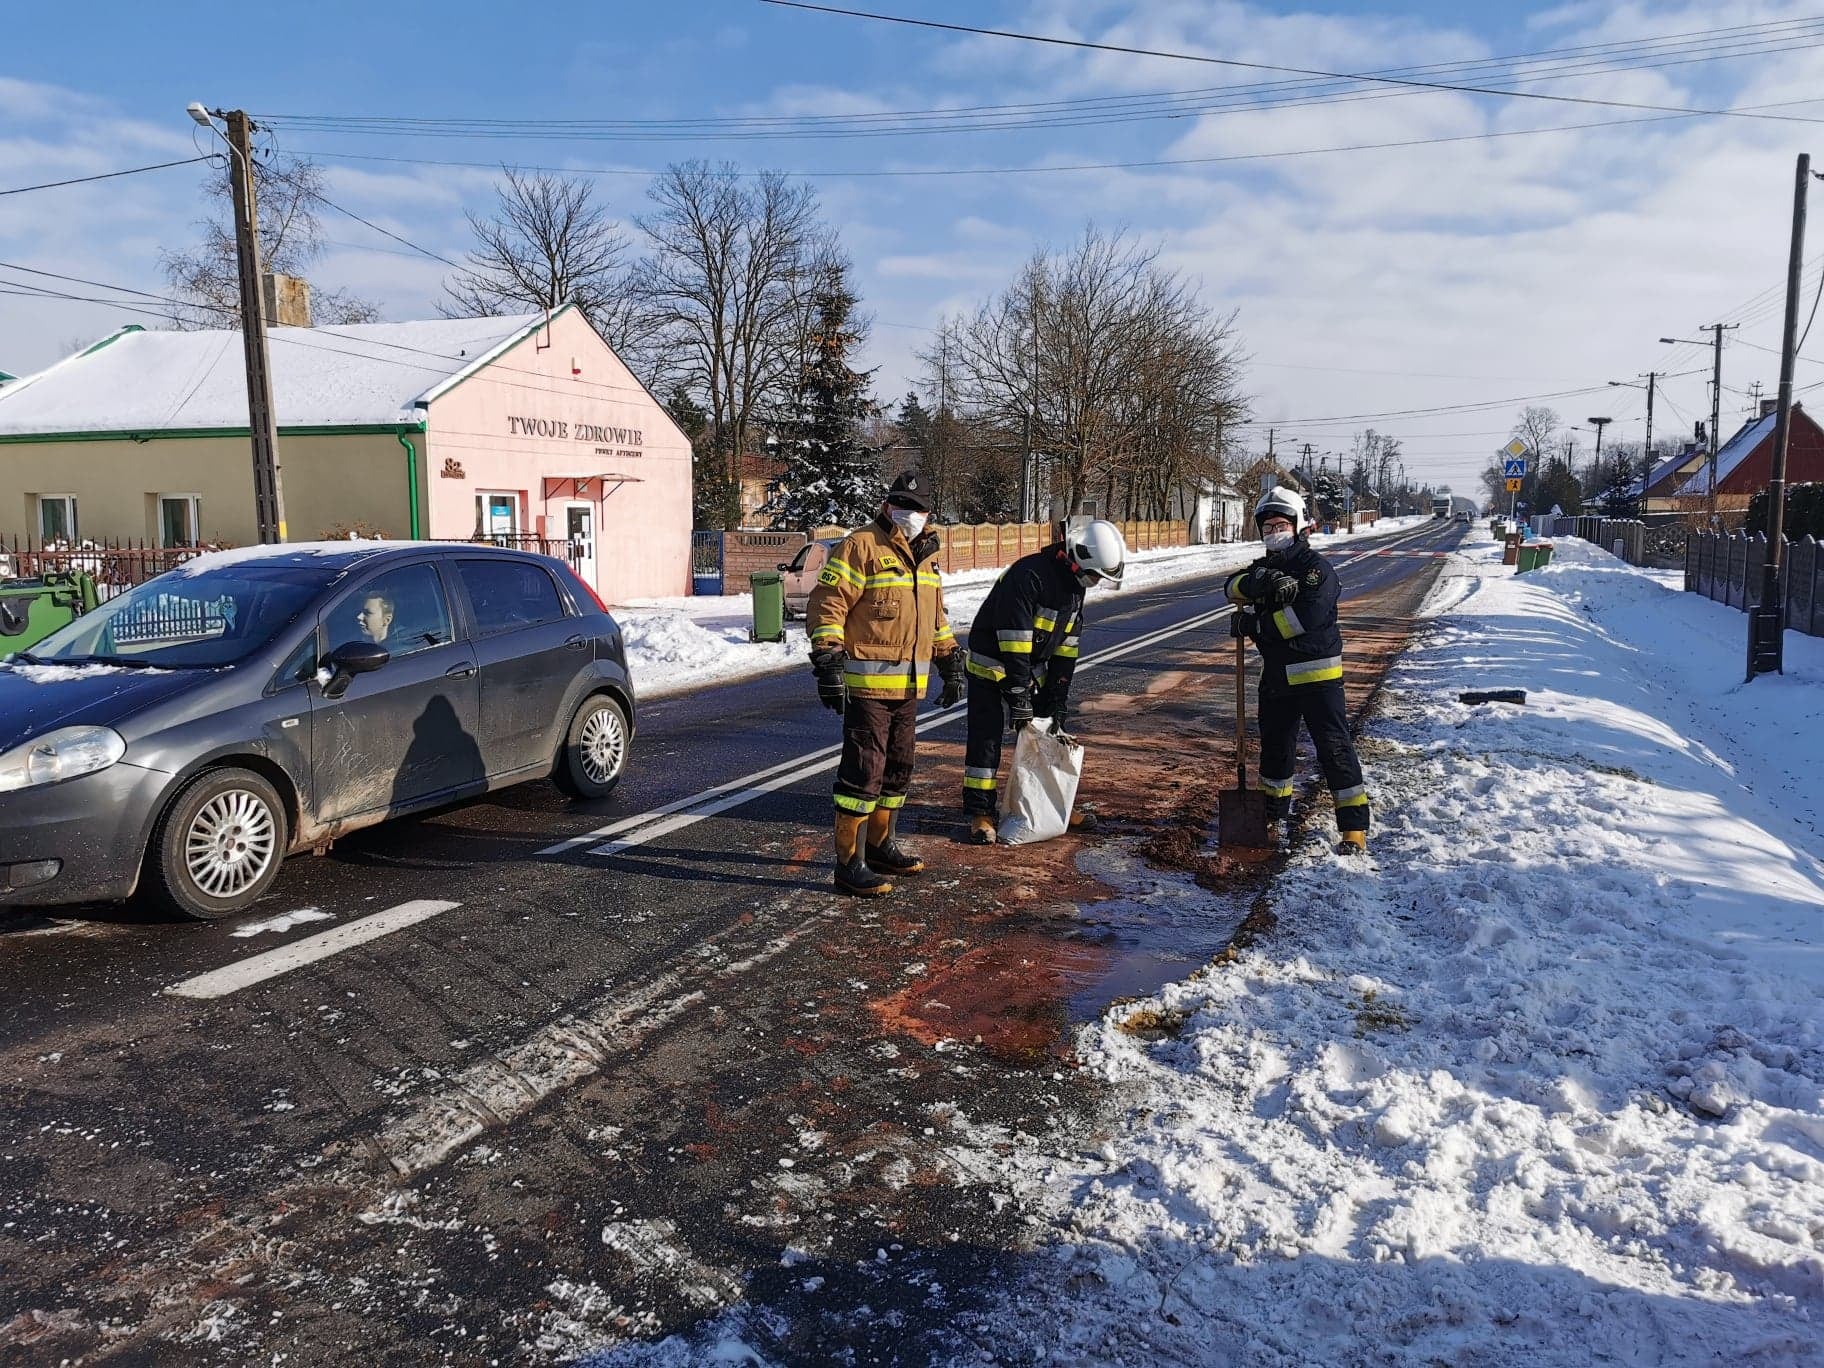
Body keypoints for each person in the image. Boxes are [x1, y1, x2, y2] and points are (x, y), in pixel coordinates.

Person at [806, 472, 966, 896]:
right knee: (863, 774)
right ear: (885, 505)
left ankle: (880, 846)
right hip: (868, 691)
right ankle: (849, 864)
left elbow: (935, 619)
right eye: (900, 504)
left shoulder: (927, 556)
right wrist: (827, 660)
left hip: (909, 689)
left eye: (915, 507)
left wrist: (950, 662)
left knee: (898, 770)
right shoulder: (860, 546)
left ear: (928, 512)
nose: (907, 514)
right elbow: (828, 605)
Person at [1224, 486, 1371, 855]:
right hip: (1276, 679)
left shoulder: (1316, 570)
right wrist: (1256, 583)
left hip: (1317, 680)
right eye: (1269, 525)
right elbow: (1230, 587)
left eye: (1281, 524)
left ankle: (1353, 827)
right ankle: (1273, 814)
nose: (1275, 531)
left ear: (1298, 525)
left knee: (1334, 749)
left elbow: (1302, 619)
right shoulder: (1268, 568)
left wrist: (1256, 627)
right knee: (1275, 751)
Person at [961, 518, 1127, 844]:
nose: (1094, 582)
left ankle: (1047, 805)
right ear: (1078, 559)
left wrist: (1057, 695)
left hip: (1026, 670)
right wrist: (1020, 694)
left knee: (1048, 735)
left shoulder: (1074, 589)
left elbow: (1067, 647)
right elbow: (1015, 642)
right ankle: (981, 812)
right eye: (1094, 575)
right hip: (991, 667)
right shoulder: (1030, 576)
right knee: (986, 740)